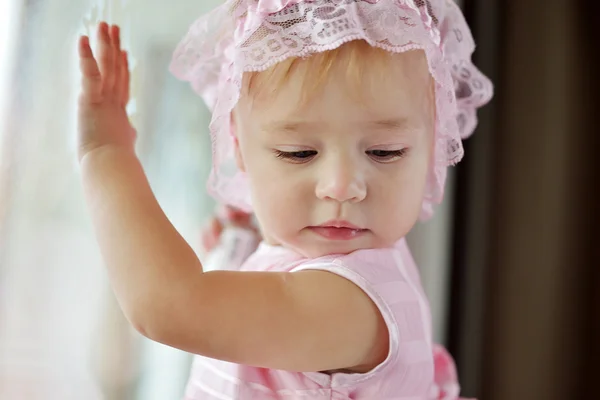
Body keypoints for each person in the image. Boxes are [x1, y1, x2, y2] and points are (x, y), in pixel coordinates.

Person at [76, 1, 492, 398]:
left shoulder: (351, 303)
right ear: (239, 146)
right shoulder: (345, 263)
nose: (342, 186)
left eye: (385, 151)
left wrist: (106, 154)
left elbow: (168, 306)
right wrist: (241, 251)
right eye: (299, 153)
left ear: (434, 145)